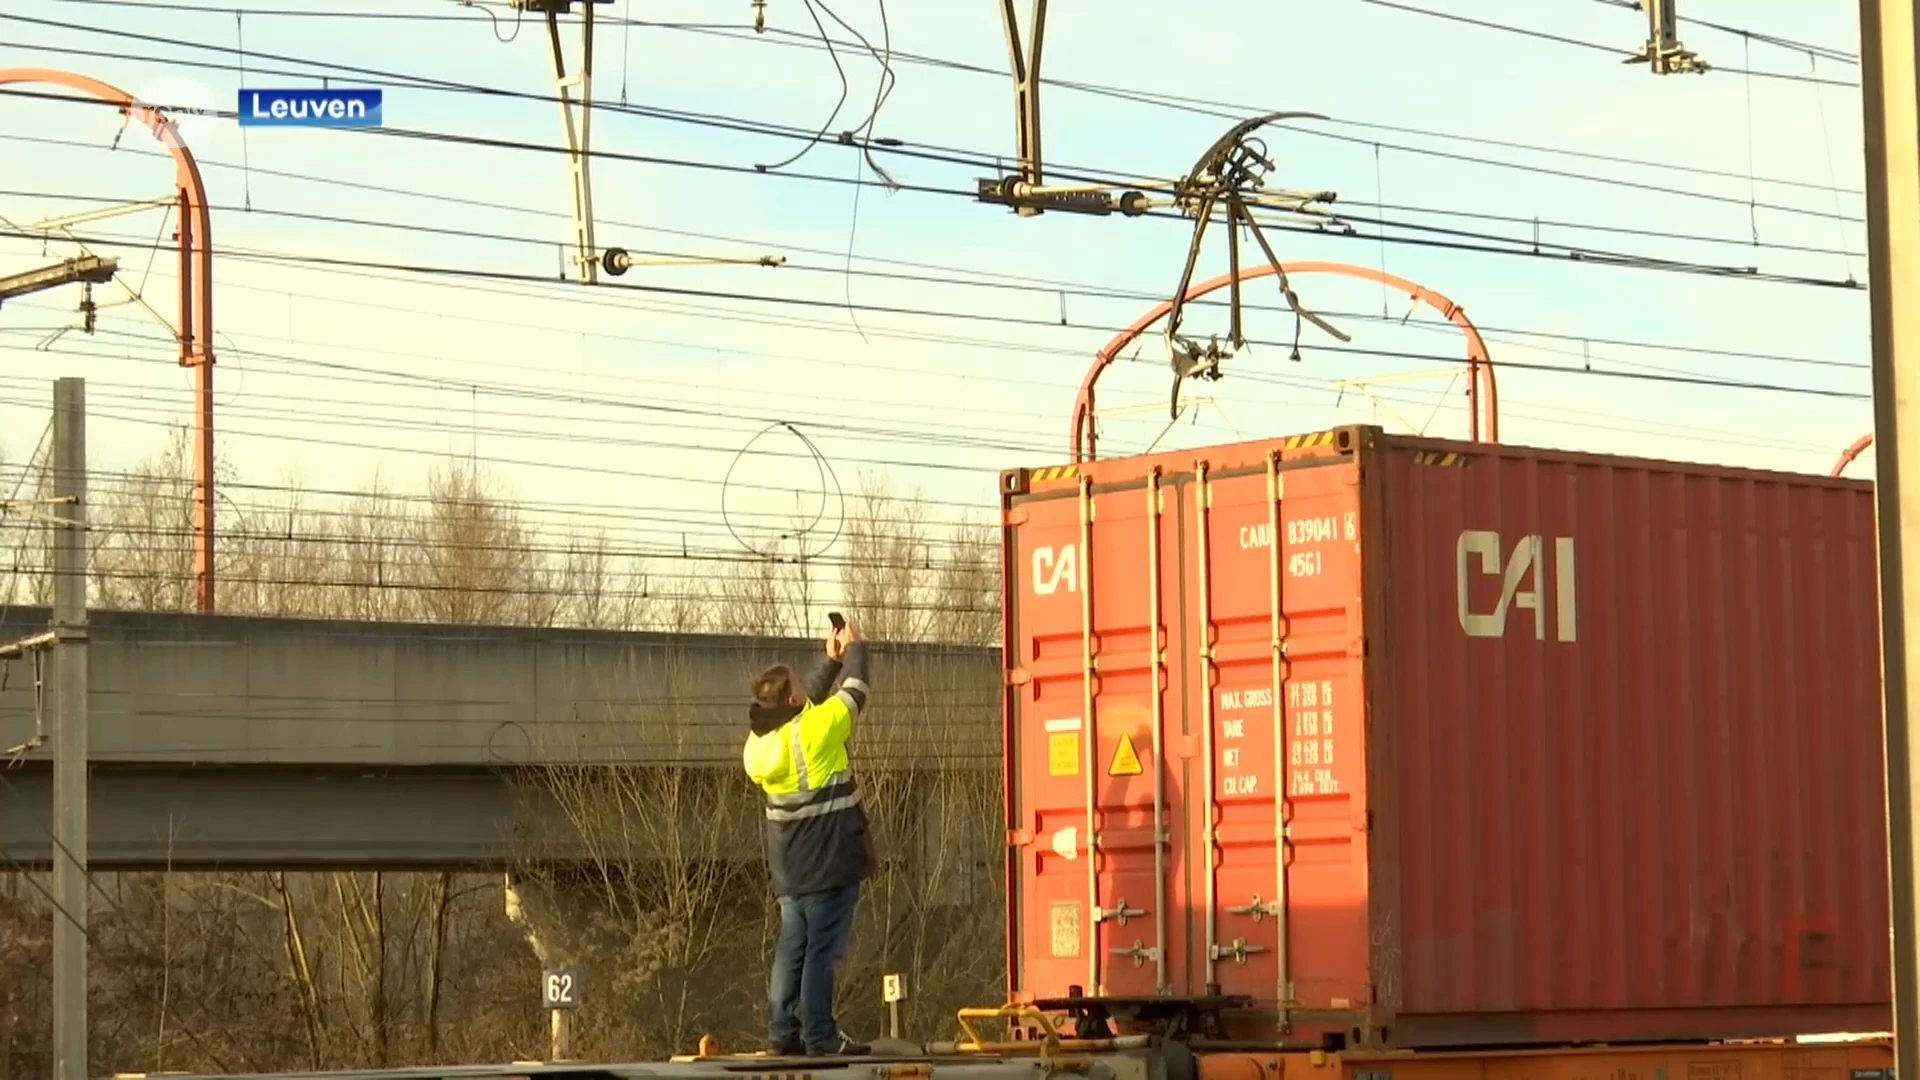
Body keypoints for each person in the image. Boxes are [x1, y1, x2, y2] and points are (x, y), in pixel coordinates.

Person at [742, 619, 874, 1058]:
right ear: (794, 699)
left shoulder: (760, 744)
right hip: (829, 860)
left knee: (791, 949)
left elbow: (806, 705)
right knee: (822, 952)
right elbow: (855, 693)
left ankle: (783, 1034)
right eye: (800, 684)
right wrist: (854, 652)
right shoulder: (815, 733)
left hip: (790, 869)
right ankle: (821, 1036)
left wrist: (828, 661)